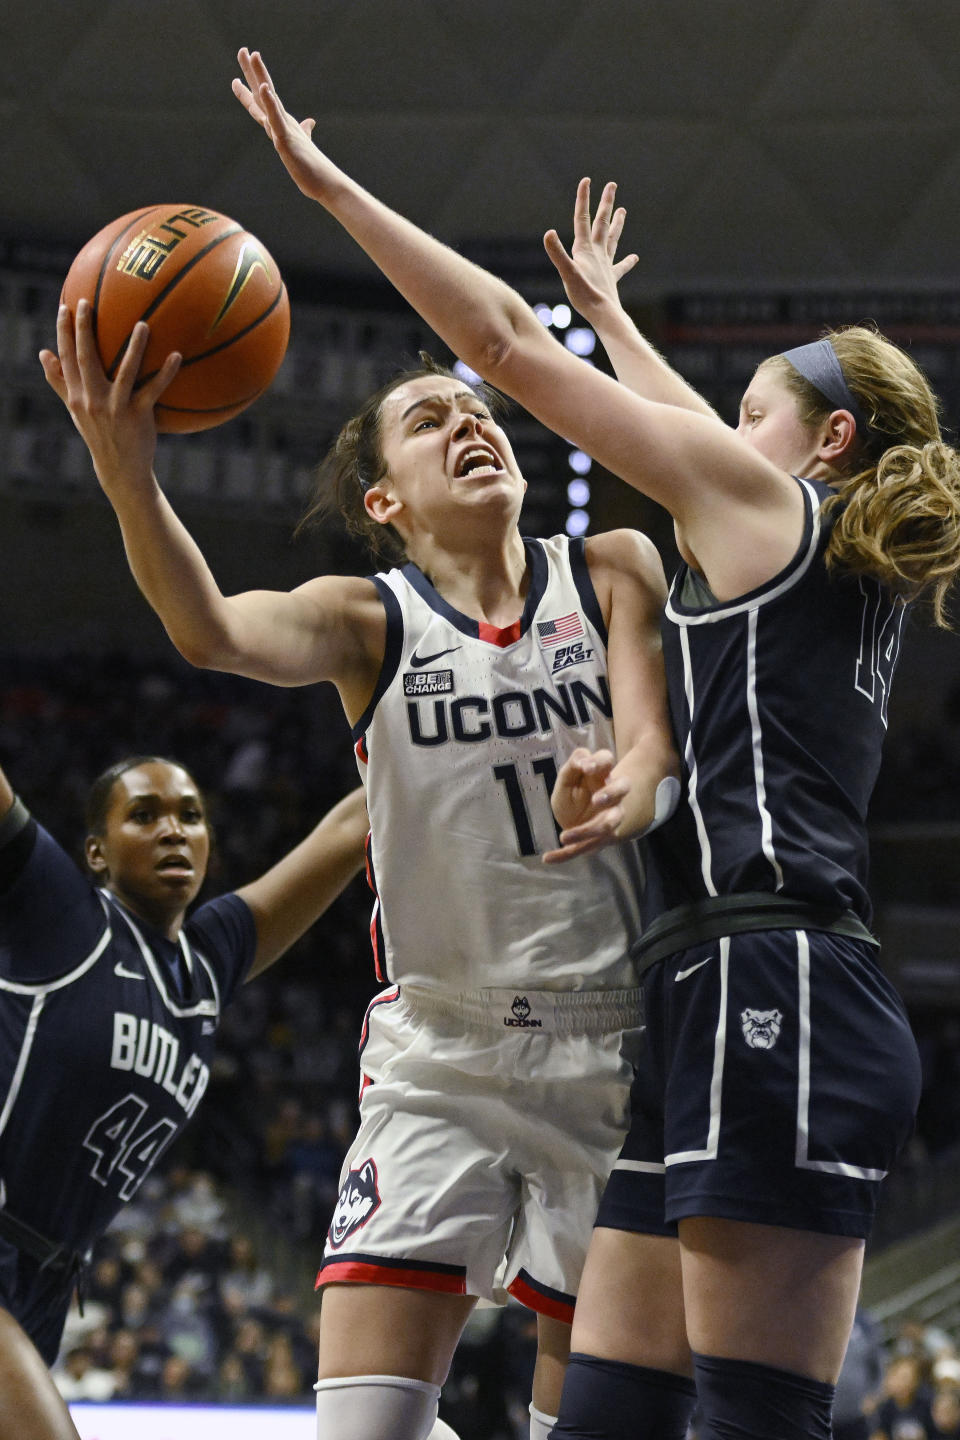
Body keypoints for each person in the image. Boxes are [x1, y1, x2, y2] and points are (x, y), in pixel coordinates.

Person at [214, 49, 960, 1440]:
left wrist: (329, 189)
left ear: (825, 442)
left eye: (749, 415)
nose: (708, 429)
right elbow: (689, 428)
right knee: (610, 1418)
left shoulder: (769, 517)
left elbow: (502, 347)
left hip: (778, 979)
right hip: (707, 986)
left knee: (756, 1422)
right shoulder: (802, 531)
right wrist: (615, 321)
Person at [39, 117, 679, 1440]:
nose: (471, 425)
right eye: (431, 420)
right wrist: (126, 473)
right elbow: (212, 631)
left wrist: (628, 784)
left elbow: (657, 754)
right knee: (364, 1430)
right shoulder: (366, 621)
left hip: (614, 1047)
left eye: (481, 410)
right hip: (439, 1054)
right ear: (385, 499)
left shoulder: (611, 566)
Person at [0, 750, 368, 1440]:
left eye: (190, 816)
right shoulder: (60, 914)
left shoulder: (207, 963)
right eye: (144, 816)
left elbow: (353, 827)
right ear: (96, 853)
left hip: (46, 1281)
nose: (174, 830)